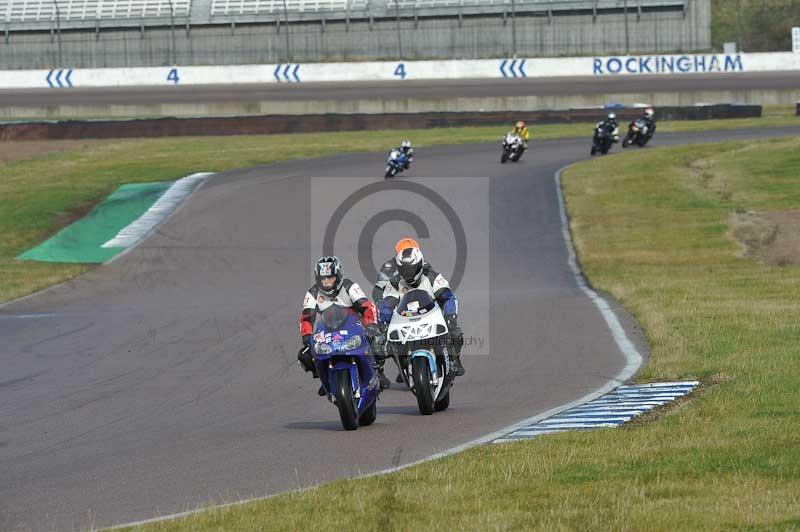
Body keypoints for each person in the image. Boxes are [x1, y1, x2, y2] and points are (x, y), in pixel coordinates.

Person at [298, 256, 386, 394]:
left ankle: (378, 370)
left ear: (338, 276)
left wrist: (370, 325)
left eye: (330, 278)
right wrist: (307, 336)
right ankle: (325, 376)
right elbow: (306, 316)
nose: (326, 282)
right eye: (323, 279)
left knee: (377, 338)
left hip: (355, 324)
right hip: (328, 328)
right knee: (304, 355)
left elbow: (367, 306)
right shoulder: (313, 293)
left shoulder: (349, 286)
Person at [377, 247, 466, 377]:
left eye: (411, 269)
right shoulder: (395, 282)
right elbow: (387, 304)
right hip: (405, 320)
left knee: (455, 333)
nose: (408, 274)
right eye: (404, 270)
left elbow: (449, 297)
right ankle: (397, 366)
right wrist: (384, 323)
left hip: (432, 317)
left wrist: (450, 318)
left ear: (419, 265)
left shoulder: (432, 277)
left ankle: (453, 359)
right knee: (382, 341)